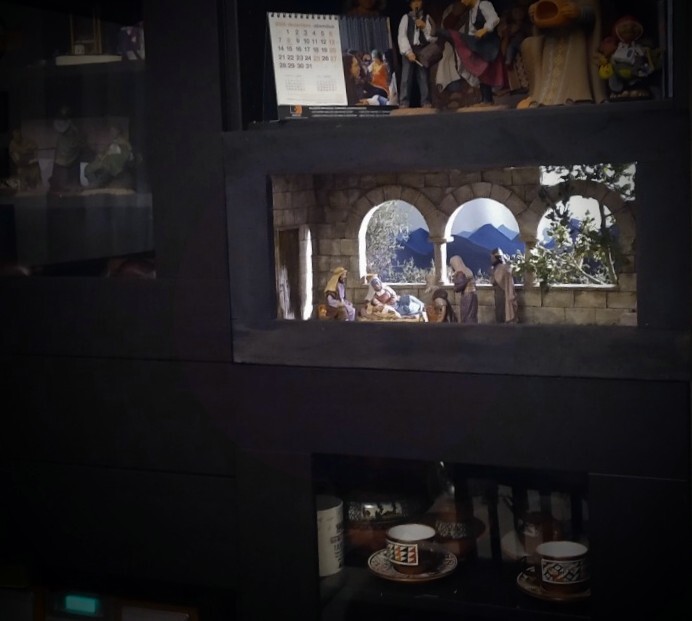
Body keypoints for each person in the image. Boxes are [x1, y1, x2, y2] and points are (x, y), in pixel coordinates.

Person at [517, 0, 606, 108]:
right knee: (533, 47)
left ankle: (577, 97)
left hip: (575, 38)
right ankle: (542, 97)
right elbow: (540, 25)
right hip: (552, 40)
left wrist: (579, 13)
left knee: (575, 53)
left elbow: (593, 17)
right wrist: (535, 14)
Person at [436, 0, 505, 106]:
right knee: (482, 71)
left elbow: (494, 18)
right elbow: (471, 31)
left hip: (488, 44)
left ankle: (487, 100)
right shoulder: (471, 11)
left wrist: (485, 29)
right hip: (479, 44)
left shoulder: (484, 4)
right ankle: (486, 100)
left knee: (486, 71)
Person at [397, 0, 434, 108]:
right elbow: (402, 35)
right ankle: (404, 102)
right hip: (409, 48)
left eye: (418, 1)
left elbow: (432, 37)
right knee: (406, 77)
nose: (416, 4)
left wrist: (424, 27)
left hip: (422, 49)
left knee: (423, 76)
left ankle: (425, 101)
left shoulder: (427, 18)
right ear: (410, 4)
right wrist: (408, 52)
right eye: (413, 2)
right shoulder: (406, 18)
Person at [84, 123, 134, 189]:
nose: (112, 133)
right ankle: (94, 183)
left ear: (118, 132)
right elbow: (104, 152)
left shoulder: (122, 143)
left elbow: (124, 154)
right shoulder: (111, 142)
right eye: (111, 131)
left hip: (113, 166)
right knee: (88, 169)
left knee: (105, 172)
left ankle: (96, 184)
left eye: (114, 131)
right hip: (104, 162)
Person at [49, 106, 86, 194]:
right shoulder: (61, 122)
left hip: (71, 149)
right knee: (61, 166)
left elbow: (76, 137)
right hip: (63, 149)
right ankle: (61, 186)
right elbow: (62, 129)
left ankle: (73, 185)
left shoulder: (71, 124)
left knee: (73, 165)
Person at [490, 248, 518, 323]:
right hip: (505, 292)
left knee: (501, 312)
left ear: (496, 258)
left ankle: (501, 327)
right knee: (502, 311)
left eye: (492, 258)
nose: (491, 260)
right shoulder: (506, 267)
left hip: (501, 293)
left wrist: (493, 274)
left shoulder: (500, 268)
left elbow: (494, 281)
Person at [450, 255, 478, 324]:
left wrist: (455, 286)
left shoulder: (461, 272)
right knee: (472, 314)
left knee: (466, 315)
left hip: (467, 296)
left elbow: (459, 286)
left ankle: (467, 329)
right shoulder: (468, 270)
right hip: (473, 295)